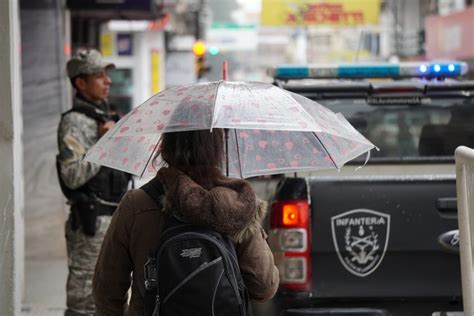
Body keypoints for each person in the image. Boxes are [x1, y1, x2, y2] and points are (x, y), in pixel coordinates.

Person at [92, 129, 280, 315]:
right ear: (217, 148)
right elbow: (264, 287)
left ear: (165, 146)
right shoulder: (238, 205)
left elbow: (107, 290)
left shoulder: (137, 203)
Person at [57, 49, 131, 316]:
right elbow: (72, 175)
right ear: (80, 83)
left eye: (107, 75)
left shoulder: (108, 117)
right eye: (99, 76)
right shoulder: (73, 122)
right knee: (85, 301)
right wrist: (104, 144)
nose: (108, 81)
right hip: (90, 224)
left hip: (116, 219)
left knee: (114, 295)